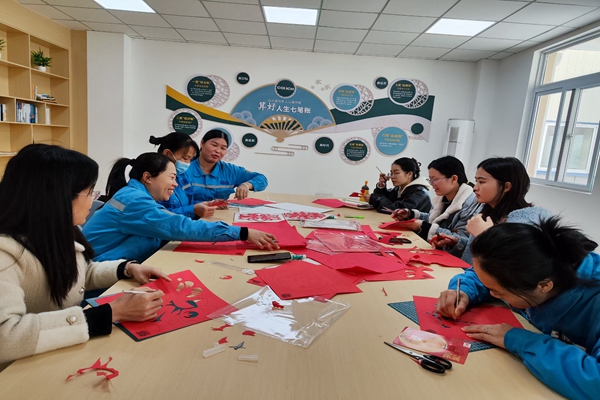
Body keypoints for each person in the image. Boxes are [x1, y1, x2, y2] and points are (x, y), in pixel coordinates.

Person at [0, 144, 169, 369]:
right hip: (19, 371)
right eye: (89, 192)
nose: (93, 199)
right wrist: (111, 313)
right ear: (58, 196)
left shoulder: (54, 229)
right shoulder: (5, 253)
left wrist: (126, 269)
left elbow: (79, 273)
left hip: (55, 353)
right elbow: (6, 337)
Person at [436, 218, 600, 399]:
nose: (492, 293)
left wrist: (521, 341)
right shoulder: (537, 267)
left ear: (544, 286)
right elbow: (486, 276)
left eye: (498, 292)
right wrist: (464, 291)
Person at [83, 153, 278, 262]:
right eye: (172, 177)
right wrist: (242, 233)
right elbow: (179, 226)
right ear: (148, 177)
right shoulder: (135, 201)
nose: (175, 183)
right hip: (97, 276)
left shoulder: (135, 194)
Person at [436, 157, 551, 265]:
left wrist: (485, 236)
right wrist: (457, 243)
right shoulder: (489, 213)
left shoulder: (526, 223)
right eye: (476, 181)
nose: (475, 187)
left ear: (506, 187)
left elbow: (515, 264)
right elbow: (477, 255)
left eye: (481, 182)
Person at [391, 156, 481, 257]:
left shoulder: (470, 205)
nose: (431, 184)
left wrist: (424, 227)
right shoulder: (442, 198)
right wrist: (411, 214)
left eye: (435, 179)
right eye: (430, 179)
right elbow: (434, 218)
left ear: (454, 179)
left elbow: (461, 241)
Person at [183, 129, 268, 202]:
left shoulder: (230, 171)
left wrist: (247, 185)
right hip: (188, 215)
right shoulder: (184, 167)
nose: (218, 151)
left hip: (219, 215)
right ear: (202, 143)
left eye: (223, 148)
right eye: (214, 145)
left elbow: (262, 179)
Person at [149, 132, 215, 219]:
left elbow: (189, 200)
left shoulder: (182, 175)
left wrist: (207, 204)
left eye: (190, 159)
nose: (188, 163)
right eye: (185, 158)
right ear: (167, 153)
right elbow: (159, 215)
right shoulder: (155, 179)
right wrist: (192, 210)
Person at [365, 157, 431, 214]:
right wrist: (381, 186)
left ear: (409, 174)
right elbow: (388, 201)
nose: (392, 177)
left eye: (396, 173)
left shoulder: (419, 193)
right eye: (391, 173)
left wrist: (375, 199)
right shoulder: (399, 188)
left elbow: (398, 210)